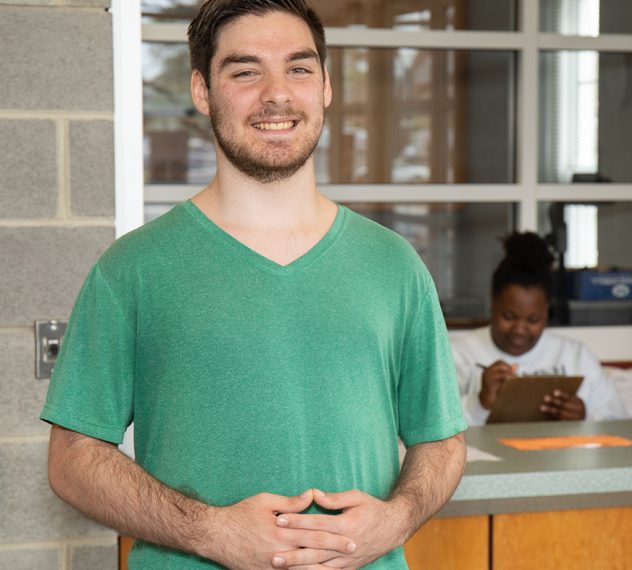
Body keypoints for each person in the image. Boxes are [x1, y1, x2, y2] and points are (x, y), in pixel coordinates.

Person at [40, 1, 466, 568]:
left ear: (326, 86)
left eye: (298, 68)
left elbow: (441, 440)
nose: (277, 94)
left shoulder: (394, 265)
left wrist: (398, 518)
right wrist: (210, 532)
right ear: (201, 90)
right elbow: (72, 460)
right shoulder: (132, 269)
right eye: (245, 71)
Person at [452, 232, 627, 426]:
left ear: (547, 312)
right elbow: (428, 430)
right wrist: (480, 403)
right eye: (509, 317)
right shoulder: (458, 354)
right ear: (492, 303)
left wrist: (585, 417)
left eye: (533, 319)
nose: (519, 330)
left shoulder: (574, 355)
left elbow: (619, 421)